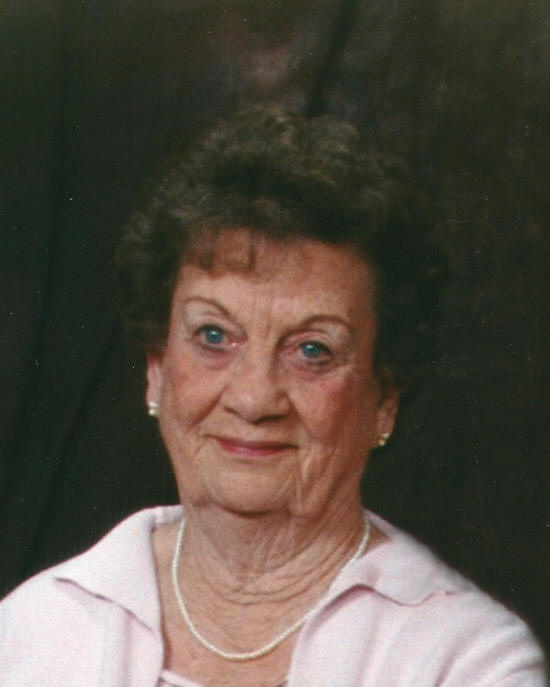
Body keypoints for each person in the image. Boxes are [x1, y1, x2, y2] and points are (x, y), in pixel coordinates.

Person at [0, 107, 545, 686]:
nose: (255, 398)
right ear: (157, 367)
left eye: (311, 350)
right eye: (214, 337)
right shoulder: (32, 630)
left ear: (384, 396)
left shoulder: (467, 662)